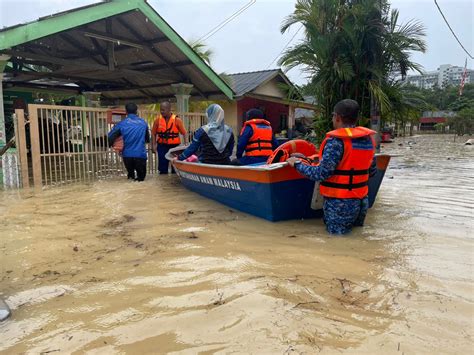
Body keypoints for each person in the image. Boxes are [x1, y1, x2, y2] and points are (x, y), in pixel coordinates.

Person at [287, 99, 377, 235]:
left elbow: (321, 174)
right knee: (355, 239)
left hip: (340, 204)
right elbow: (371, 171)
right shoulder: (367, 139)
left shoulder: (336, 141)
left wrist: (297, 163)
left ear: (337, 117)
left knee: (337, 242)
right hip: (362, 201)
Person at [108, 103, 150, 182]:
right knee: (141, 180)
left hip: (127, 156)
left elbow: (110, 137)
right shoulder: (143, 123)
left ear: (126, 112)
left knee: (130, 178)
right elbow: (147, 139)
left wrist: (112, 145)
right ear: (136, 111)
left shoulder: (122, 124)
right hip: (140, 155)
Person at [151, 101, 187, 174]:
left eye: (163, 110)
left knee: (175, 166)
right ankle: (163, 181)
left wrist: (186, 144)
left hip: (174, 146)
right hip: (162, 145)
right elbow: (153, 134)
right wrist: (154, 145)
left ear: (169, 109)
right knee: (162, 166)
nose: (161, 111)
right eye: (160, 109)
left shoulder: (177, 120)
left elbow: (184, 133)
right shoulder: (157, 121)